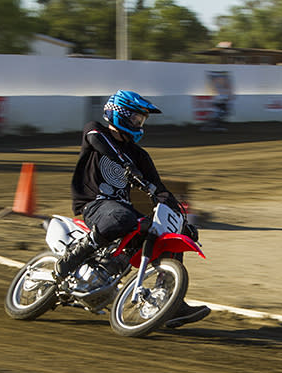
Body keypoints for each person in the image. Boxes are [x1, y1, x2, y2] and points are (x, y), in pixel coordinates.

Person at [59, 89, 210, 328]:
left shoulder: (140, 155)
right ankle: (73, 256)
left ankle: (170, 300)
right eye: (135, 119)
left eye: (141, 120)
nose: (139, 124)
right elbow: (99, 142)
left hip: (121, 209)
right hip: (94, 203)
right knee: (123, 216)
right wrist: (127, 166)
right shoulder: (94, 129)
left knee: (163, 232)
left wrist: (182, 220)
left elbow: (160, 189)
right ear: (119, 114)